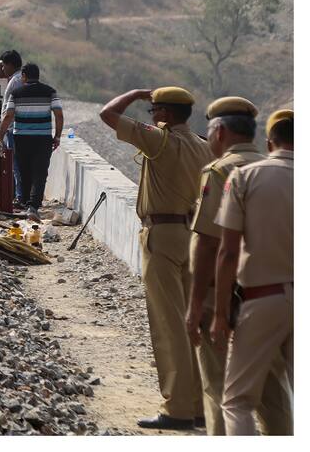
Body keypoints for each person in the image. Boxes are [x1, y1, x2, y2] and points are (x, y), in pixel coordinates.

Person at [100, 86, 212, 430]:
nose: (151, 116)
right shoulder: (204, 146)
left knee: (169, 324)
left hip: (161, 235)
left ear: (164, 113)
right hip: (193, 236)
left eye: (154, 110)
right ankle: (196, 405)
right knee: (193, 323)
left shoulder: (159, 139)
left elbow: (108, 114)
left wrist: (133, 93)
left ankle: (176, 408)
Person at [184, 97, 288, 435]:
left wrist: (198, 303)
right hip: (272, 294)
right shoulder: (273, 166)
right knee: (273, 393)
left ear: (220, 132)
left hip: (227, 295)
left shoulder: (222, 172)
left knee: (222, 390)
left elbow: (211, 244)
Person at [211, 109, 294, 436]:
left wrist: (220, 314)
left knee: (238, 401)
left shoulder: (245, 177)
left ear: (269, 141)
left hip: (264, 300)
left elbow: (228, 251)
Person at [0, 63, 62, 221]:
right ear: (38, 76)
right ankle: (33, 207)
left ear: (24, 76)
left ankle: (27, 205)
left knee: (24, 171)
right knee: (40, 172)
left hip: (21, 138)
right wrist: (57, 136)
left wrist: (0, 138)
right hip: (43, 138)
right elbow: (59, 115)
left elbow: (8, 116)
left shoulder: (16, 93)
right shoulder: (50, 92)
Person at [0, 50, 26, 209]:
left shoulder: (15, 81)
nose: (2, 69)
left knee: (16, 165)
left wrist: (1, 134)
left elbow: (9, 112)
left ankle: (20, 197)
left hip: (13, 128)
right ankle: (19, 196)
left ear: (9, 64)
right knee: (18, 165)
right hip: (18, 128)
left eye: (3, 66)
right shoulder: (18, 78)